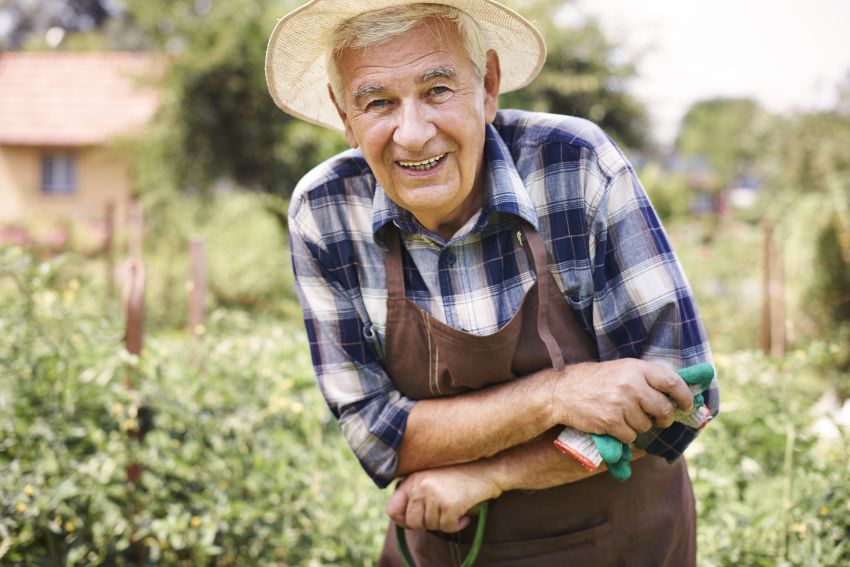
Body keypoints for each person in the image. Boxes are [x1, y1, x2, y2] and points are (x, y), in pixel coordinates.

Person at [265, 1, 718, 565]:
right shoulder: (325, 212)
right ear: (344, 114)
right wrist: (558, 393)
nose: (412, 133)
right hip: (441, 546)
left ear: (488, 86)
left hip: (617, 542)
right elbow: (377, 434)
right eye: (378, 102)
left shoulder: (575, 166)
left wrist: (489, 476)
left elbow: (682, 398)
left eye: (437, 90)